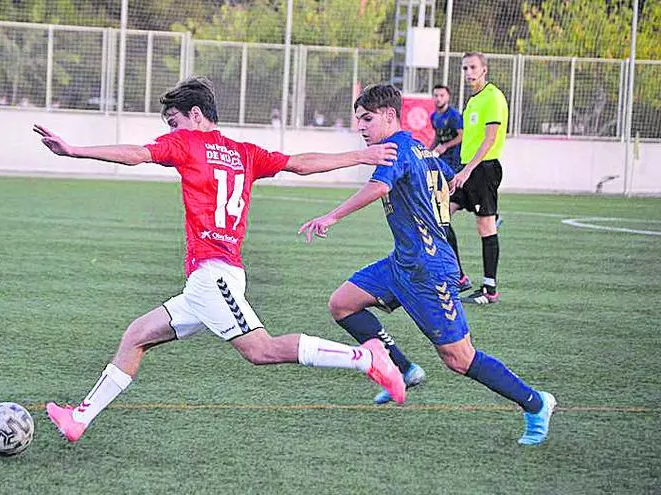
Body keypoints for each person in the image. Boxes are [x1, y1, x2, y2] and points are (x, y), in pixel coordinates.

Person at [36, 76, 406, 443]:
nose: (171, 131)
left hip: (214, 275)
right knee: (137, 335)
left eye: (174, 122)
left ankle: (366, 358)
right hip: (209, 279)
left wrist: (75, 151)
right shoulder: (244, 152)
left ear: (196, 115)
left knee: (261, 350)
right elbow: (299, 163)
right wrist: (358, 156)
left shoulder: (186, 143)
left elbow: (136, 154)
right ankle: (79, 419)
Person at [298, 84, 554, 445]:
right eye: (358, 120)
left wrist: (331, 216)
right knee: (342, 304)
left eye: (367, 119)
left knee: (459, 359)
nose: (361, 127)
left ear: (390, 115)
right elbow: (446, 182)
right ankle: (403, 370)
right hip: (402, 262)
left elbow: (380, 188)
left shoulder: (398, 149)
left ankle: (536, 402)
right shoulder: (419, 148)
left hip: (430, 270)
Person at [447, 52, 509, 304]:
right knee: (439, 215)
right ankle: (459, 277)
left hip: (483, 169)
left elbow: (490, 139)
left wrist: (467, 170)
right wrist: (461, 169)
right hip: (467, 168)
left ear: (484, 69)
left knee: (485, 227)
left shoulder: (493, 96)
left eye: (473, 67)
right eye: (465, 68)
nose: (468, 72)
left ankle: (489, 289)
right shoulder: (472, 100)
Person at [428, 84, 472, 291]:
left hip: (454, 167)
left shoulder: (454, 116)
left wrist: (446, 146)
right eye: (435, 95)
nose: (438, 98)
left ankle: (459, 276)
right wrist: (426, 152)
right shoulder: (434, 117)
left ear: (448, 97)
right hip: (441, 165)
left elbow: (462, 135)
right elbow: (437, 137)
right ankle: (457, 275)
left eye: (441, 95)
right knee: (441, 218)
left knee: (441, 218)